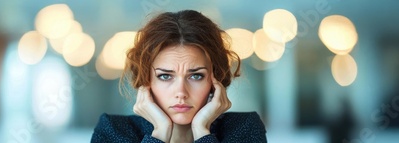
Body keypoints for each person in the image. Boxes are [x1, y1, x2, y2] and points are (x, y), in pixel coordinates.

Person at [91, 10, 267, 143]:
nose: (181, 92)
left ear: (216, 80)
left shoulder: (244, 128)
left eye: (196, 76)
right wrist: (160, 132)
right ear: (146, 80)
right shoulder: (113, 130)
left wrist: (202, 131)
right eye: (166, 76)